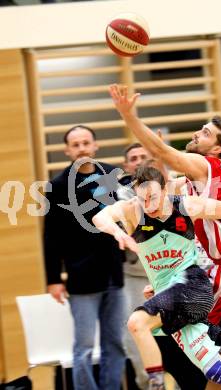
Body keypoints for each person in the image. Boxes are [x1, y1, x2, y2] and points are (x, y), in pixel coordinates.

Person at [107, 84, 221, 390]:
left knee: (178, 335)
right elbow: (162, 185)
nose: (197, 134)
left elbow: (160, 153)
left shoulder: (206, 166)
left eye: (206, 133)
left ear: (216, 149)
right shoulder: (200, 179)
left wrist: (129, 116)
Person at [93, 165, 221, 390]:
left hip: (192, 285)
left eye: (153, 197)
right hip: (168, 294)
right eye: (143, 199)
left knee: (137, 323)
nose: (148, 205)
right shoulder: (132, 210)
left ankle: (156, 385)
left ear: (164, 190)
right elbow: (99, 217)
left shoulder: (185, 205)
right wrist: (119, 232)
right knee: (216, 371)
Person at [43, 125, 126, 390]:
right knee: (84, 347)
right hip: (82, 277)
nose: (82, 149)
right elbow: (51, 237)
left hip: (114, 273)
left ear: (95, 146)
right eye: (76, 144)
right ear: (67, 150)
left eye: (86, 143)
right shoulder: (57, 186)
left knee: (115, 343)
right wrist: (54, 278)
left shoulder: (113, 175)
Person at [119, 142, 152, 390]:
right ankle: (147, 385)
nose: (139, 160)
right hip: (135, 277)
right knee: (136, 338)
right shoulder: (119, 197)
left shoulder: (169, 189)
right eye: (133, 157)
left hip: (168, 274)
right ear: (126, 165)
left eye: (144, 156)